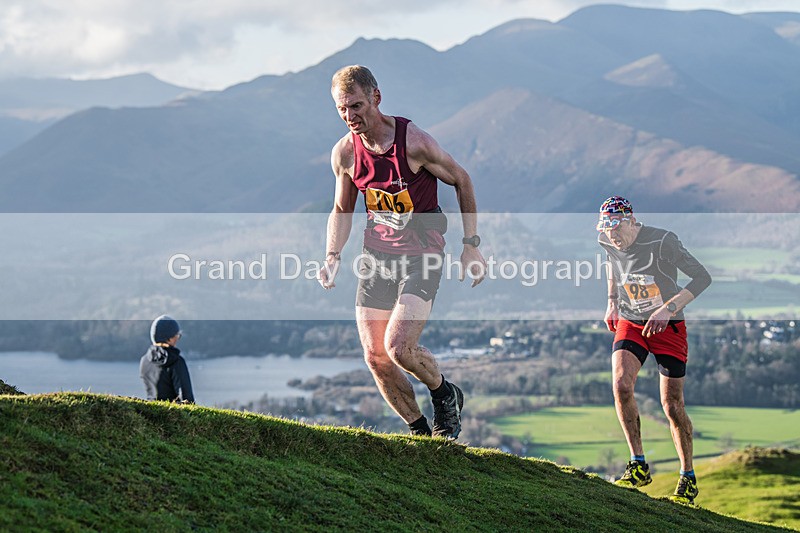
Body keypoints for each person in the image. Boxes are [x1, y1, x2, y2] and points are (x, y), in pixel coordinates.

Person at [317, 65, 487, 439]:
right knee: (375, 356)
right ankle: (420, 433)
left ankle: (445, 394)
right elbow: (342, 209)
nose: (350, 116)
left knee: (398, 347)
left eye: (356, 105)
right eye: (341, 109)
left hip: (423, 253)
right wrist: (332, 255)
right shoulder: (345, 153)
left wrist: (471, 246)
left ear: (376, 97)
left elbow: (462, 180)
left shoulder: (414, 143)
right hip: (377, 257)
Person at [597, 196, 711, 504]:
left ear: (632, 221)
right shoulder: (609, 241)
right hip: (632, 321)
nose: (612, 236)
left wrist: (667, 309)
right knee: (621, 385)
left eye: (617, 229)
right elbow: (612, 264)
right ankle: (638, 465)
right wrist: (611, 302)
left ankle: (687, 477)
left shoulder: (663, 241)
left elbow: (703, 278)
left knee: (672, 405)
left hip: (668, 326)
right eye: (607, 230)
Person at [139, 315, 195, 404]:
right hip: (174, 415)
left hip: (150, 413)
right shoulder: (176, 361)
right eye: (177, 335)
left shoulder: (144, 361)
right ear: (169, 338)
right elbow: (187, 399)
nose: (178, 338)